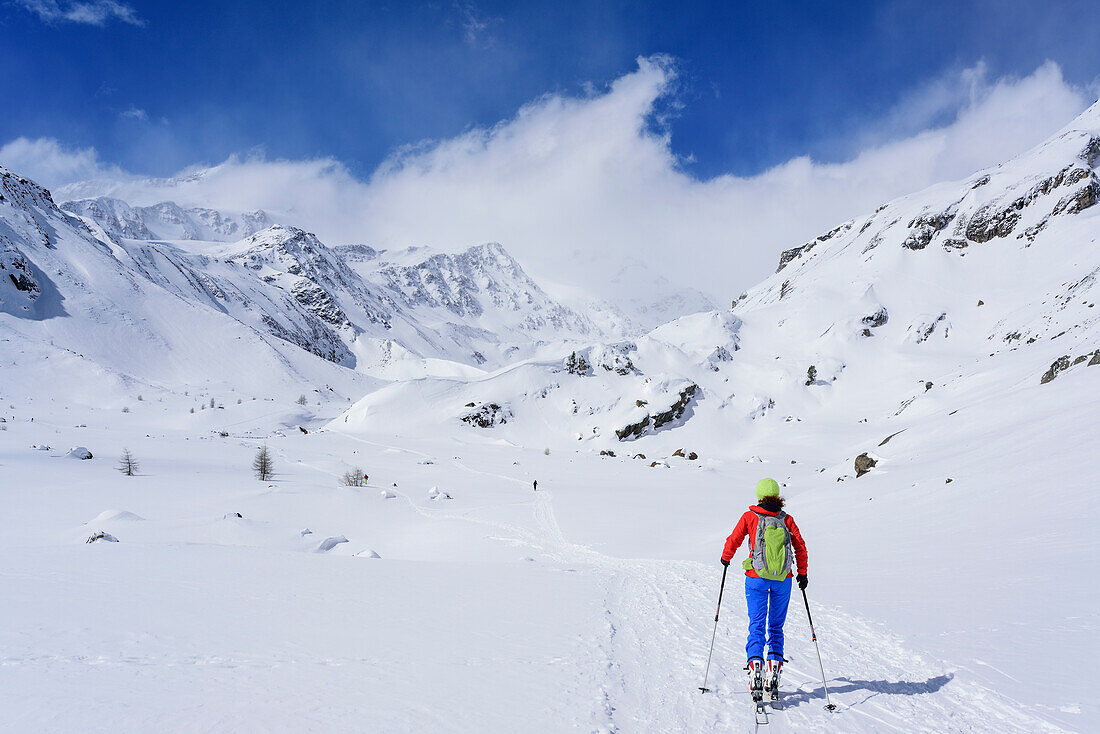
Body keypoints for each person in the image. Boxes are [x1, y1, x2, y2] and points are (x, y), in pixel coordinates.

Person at [720, 477, 808, 700]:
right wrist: (803, 574)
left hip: (756, 578)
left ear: (759, 495)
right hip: (783, 579)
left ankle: (755, 669)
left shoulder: (751, 516)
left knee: (757, 624)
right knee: (776, 627)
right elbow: (800, 547)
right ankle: (774, 672)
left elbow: (735, 539)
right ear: (777, 495)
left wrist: (725, 558)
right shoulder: (786, 520)